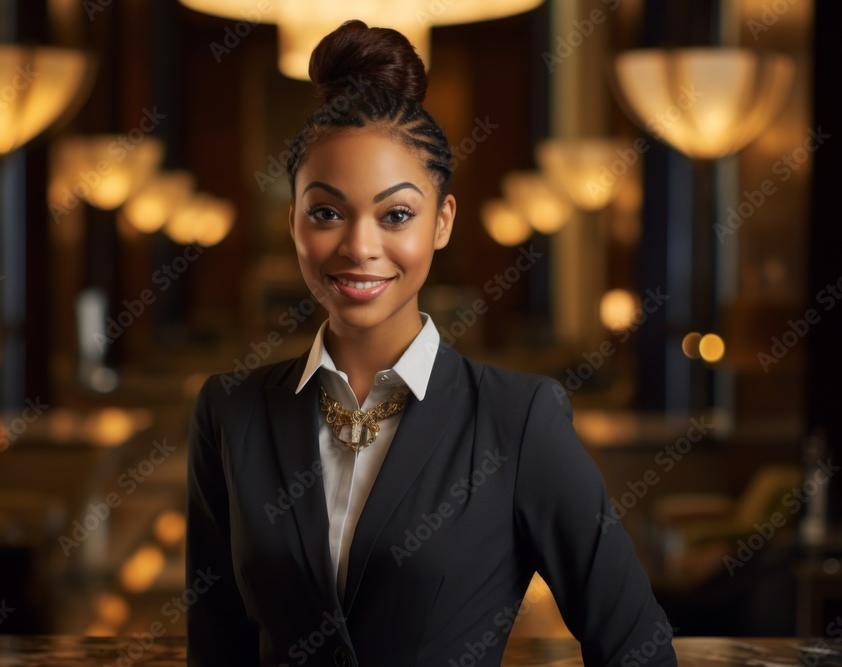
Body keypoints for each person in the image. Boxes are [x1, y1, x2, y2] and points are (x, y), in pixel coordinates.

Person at [186, 19, 677, 667]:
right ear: (293, 220)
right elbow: (216, 648)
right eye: (327, 211)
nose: (360, 246)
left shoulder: (516, 418)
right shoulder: (231, 409)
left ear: (441, 221)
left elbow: (636, 647)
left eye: (396, 214)